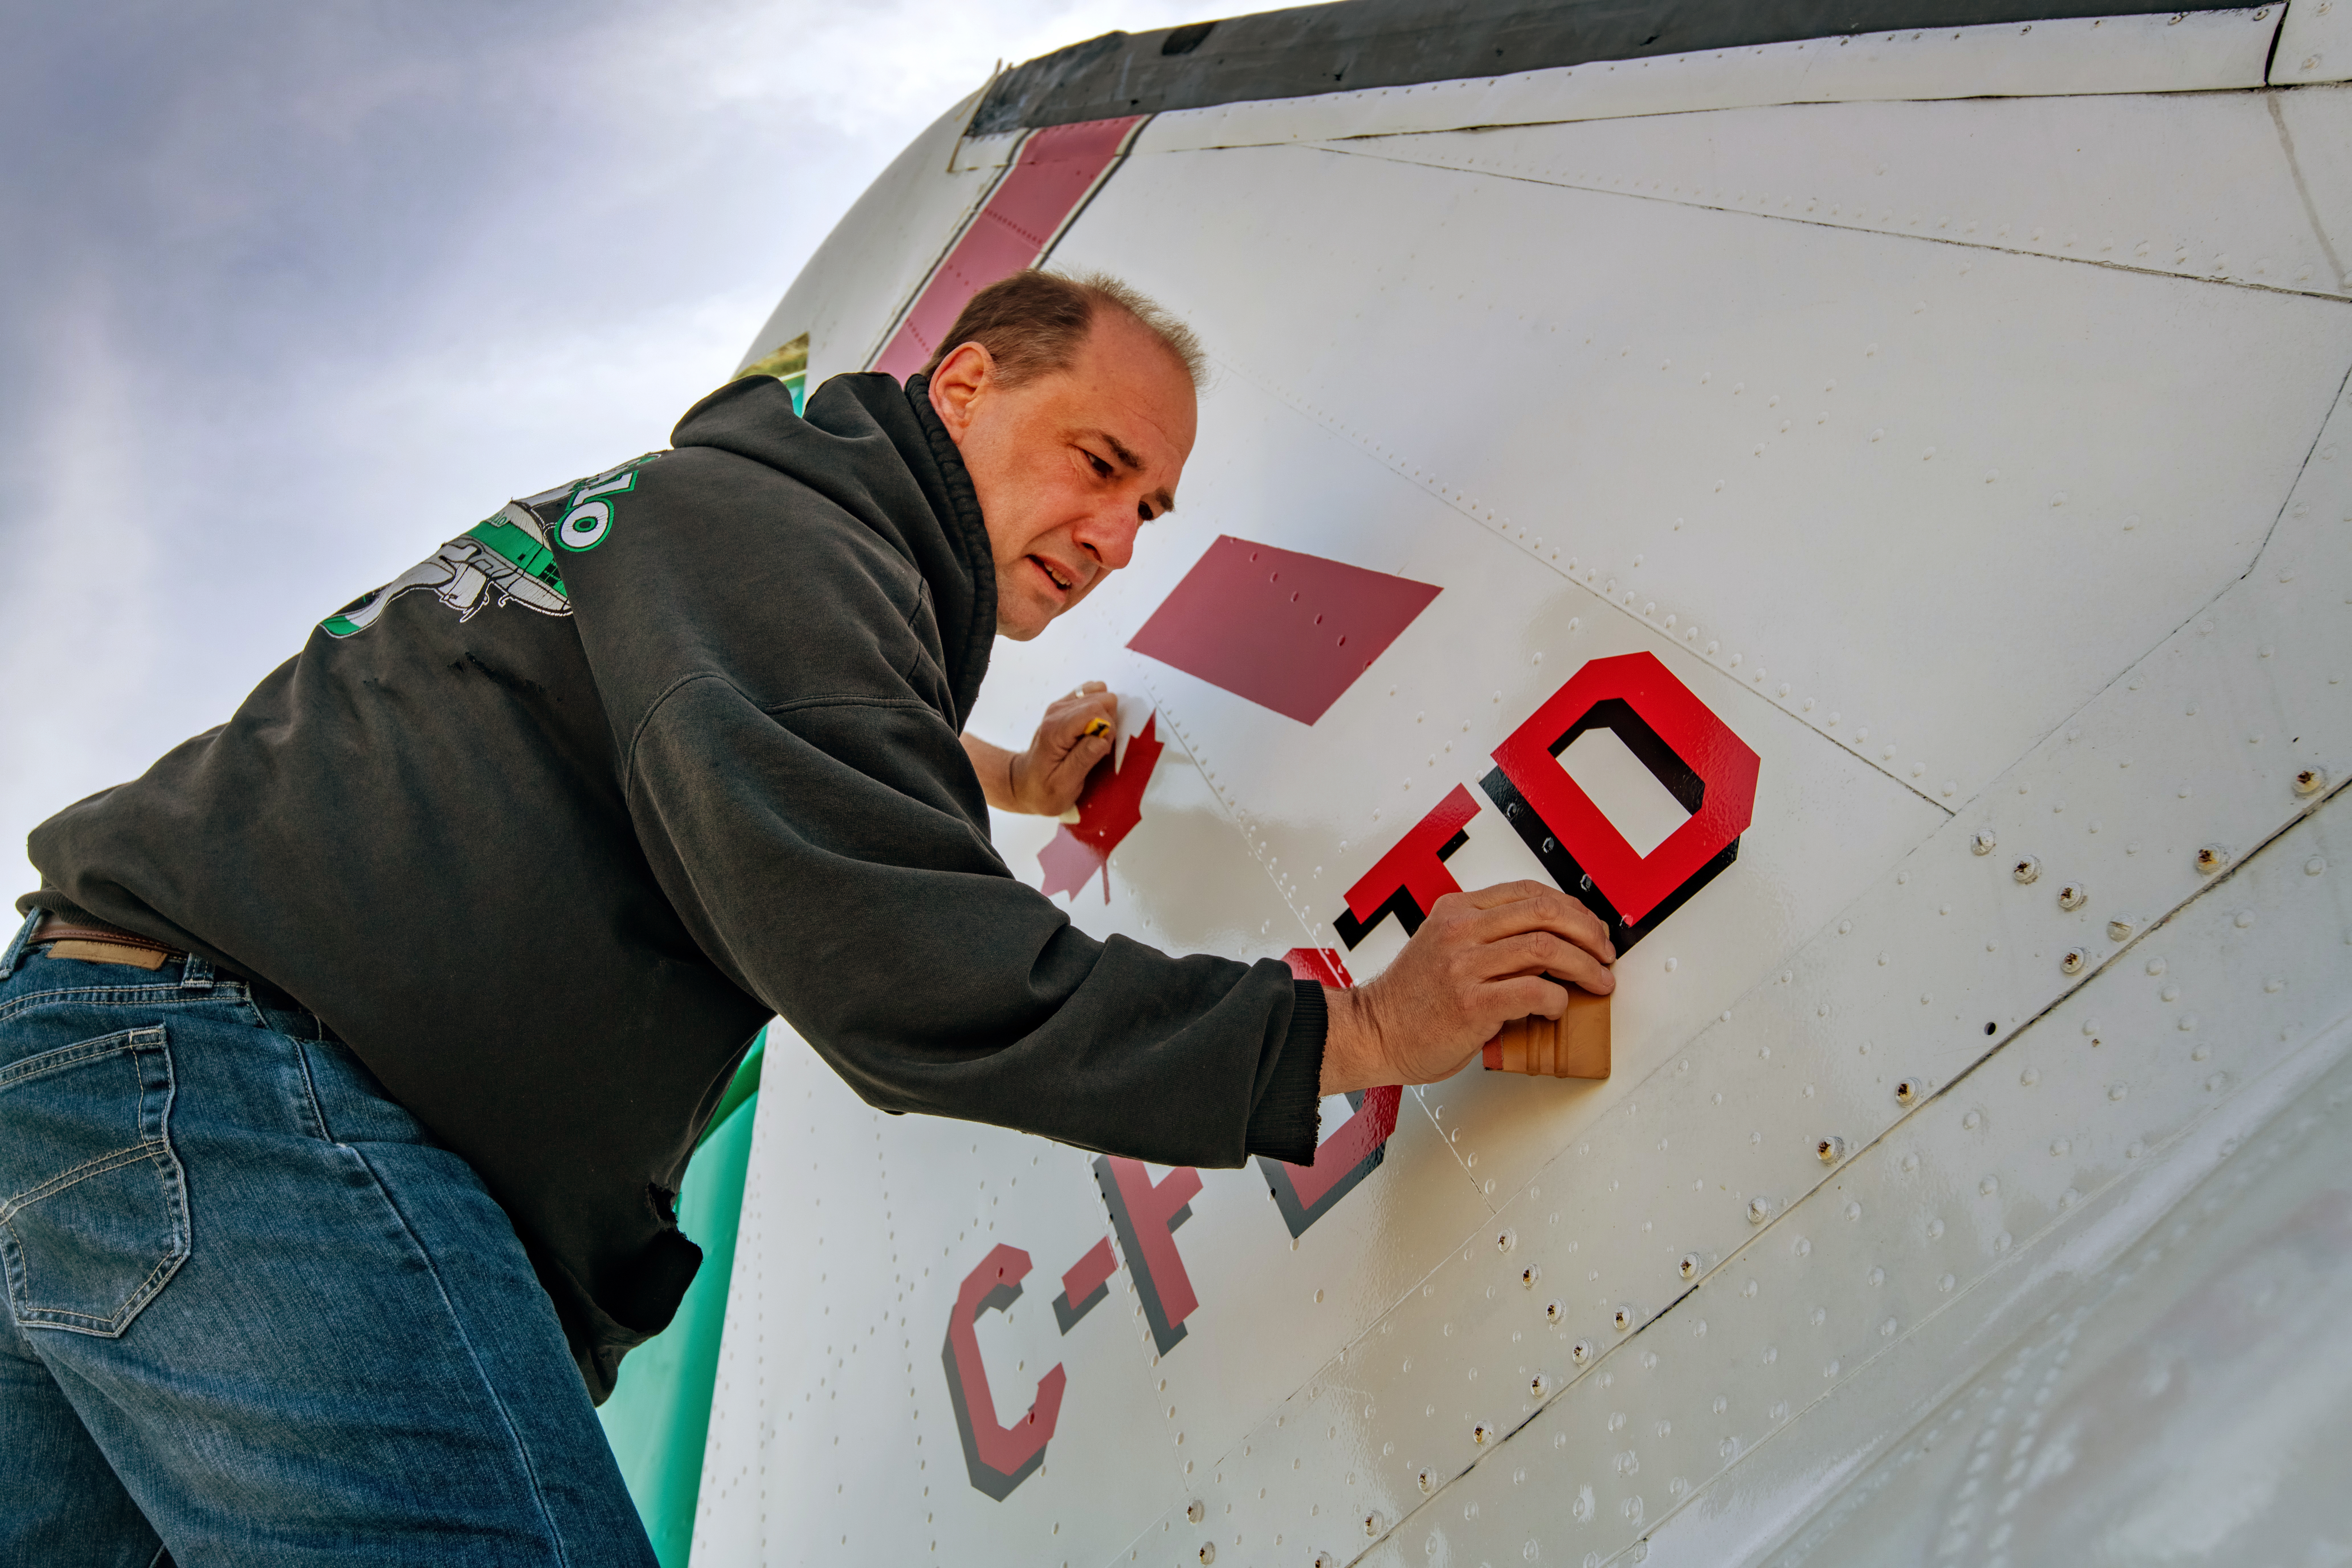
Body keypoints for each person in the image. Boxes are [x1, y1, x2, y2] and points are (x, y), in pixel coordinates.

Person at [0, 268, 1615, 1565]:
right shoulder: (791, 545)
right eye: (1099, 465)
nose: (1117, 539)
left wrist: (1002, 778)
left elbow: (705, 723)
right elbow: (898, 959)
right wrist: (1354, 1028)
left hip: (95, 1110)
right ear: (967, 384)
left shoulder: (719, 516)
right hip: (241, 1113)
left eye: (1154, 514)